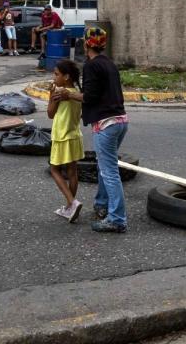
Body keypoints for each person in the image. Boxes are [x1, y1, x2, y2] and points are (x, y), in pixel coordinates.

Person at [52, 26, 128, 233]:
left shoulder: (92, 65)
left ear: (86, 44)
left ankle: (117, 219)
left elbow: (90, 97)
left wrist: (68, 94)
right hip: (121, 121)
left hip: (106, 124)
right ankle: (102, 205)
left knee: (109, 171)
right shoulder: (109, 64)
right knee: (105, 167)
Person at [47, 59, 84, 222]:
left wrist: (51, 95)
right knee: (72, 172)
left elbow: (50, 114)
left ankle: (72, 202)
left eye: (56, 74)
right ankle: (70, 208)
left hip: (61, 136)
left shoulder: (60, 93)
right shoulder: (75, 92)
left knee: (54, 170)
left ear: (66, 76)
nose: (54, 77)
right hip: (74, 135)